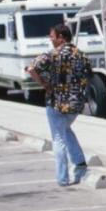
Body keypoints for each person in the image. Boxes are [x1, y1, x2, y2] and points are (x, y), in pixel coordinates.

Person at [27, 24, 90, 187]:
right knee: (66, 130)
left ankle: (62, 178)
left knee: (58, 138)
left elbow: (31, 68)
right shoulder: (81, 55)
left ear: (61, 37)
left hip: (55, 102)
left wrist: (43, 83)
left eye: (52, 36)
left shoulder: (51, 55)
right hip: (75, 103)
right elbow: (88, 75)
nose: (50, 39)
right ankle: (80, 163)